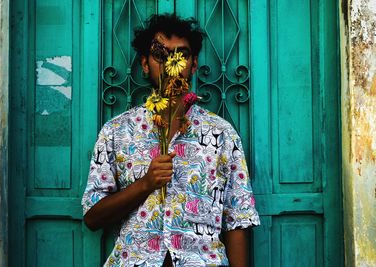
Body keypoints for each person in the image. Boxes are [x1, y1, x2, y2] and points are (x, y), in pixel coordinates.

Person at [81, 14, 260, 267]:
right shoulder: (116, 131)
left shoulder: (221, 133)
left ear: (194, 63)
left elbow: (238, 220)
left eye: (182, 55)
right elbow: (92, 217)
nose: (171, 64)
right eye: (160, 55)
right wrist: (145, 184)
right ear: (144, 64)